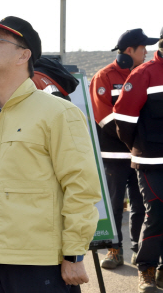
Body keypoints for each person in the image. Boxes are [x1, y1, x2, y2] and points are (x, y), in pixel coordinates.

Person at [0, 16, 101, 293]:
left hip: (41, 264)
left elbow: (82, 187)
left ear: (23, 55)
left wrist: (74, 254)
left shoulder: (59, 113)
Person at [89, 29, 157, 269]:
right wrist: (130, 139)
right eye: (142, 48)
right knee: (115, 204)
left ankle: (139, 251)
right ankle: (114, 250)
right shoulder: (104, 76)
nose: (147, 52)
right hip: (115, 156)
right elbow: (103, 117)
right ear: (130, 50)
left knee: (140, 206)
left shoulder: (143, 74)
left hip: (139, 156)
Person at [114, 28, 163, 293]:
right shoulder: (143, 74)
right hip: (152, 161)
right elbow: (123, 120)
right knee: (156, 213)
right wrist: (140, 147)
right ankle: (146, 269)